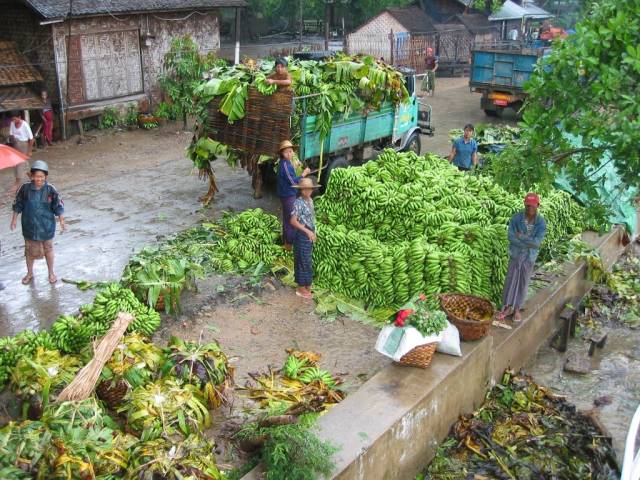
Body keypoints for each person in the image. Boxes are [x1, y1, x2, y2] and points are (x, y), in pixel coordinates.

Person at [10, 160, 66, 285]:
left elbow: (58, 206)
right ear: (31, 176)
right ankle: (29, 273)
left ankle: (51, 273)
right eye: (36, 176)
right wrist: (14, 220)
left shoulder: (50, 189)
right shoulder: (24, 189)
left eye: (42, 176)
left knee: (48, 249)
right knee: (29, 251)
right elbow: (17, 204)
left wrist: (62, 221)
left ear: (46, 177)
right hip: (29, 226)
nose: (39, 179)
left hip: (47, 226)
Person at [497, 193, 546, 322]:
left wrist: (522, 237)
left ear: (538, 206)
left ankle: (517, 308)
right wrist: (526, 242)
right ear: (525, 204)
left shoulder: (540, 223)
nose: (530, 208)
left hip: (529, 257)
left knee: (523, 283)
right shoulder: (516, 218)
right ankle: (506, 307)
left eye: (533, 206)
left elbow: (537, 243)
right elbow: (511, 237)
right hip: (516, 254)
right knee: (510, 280)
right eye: (528, 205)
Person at [277, 140, 310, 251]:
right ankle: (289, 245)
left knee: (287, 218)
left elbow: (290, 174)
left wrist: (296, 167)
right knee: (291, 219)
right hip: (287, 195)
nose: (289, 154)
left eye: (291, 152)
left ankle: (286, 241)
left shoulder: (286, 163)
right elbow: (293, 182)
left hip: (286, 194)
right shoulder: (285, 165)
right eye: (287, 152)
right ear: (282, 153)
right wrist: (303, 174)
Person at [290, 177, 319, 299]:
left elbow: (311, 218)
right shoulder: (298, 202)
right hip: (302, 235)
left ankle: (307, 285)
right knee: (302, 261)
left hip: (309, 234)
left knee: (307, 261)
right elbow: (293, 221)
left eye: (309, 189)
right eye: (304, 189)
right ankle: (301, 289)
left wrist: (314, 232)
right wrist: (307, 231)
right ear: (301, 190)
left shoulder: (310, 201)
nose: (307, 191)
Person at [9, 112, 33, 194]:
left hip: (24, 146)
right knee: (23, 165)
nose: (14, 120)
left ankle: (17, 184)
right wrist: (13, 138)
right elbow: (11, 135)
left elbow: (31, 139)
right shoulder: (12, 123)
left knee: (20, 164)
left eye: (15, 119)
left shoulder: (25, 125)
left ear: (19, 117)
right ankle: (33, 179)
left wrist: (29, 151)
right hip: (16, 145)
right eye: (12, 119)